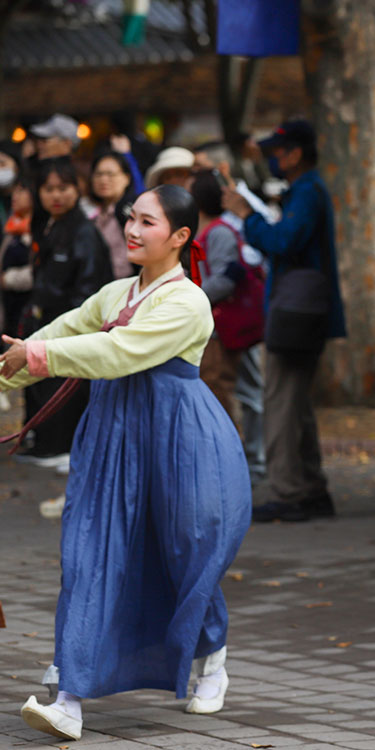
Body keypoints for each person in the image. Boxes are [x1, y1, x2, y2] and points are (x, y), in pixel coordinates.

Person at [0, 185, 252, 741]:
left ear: (181, 237)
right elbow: (63, 333)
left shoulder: (188, 302)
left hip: (180, 441)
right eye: (130, 219)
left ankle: (211, 656)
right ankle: (69, 695)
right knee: (90, 550)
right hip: (111, 439)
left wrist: (36, 354)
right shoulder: (114, 293)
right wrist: (9, 366)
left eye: (147, 222)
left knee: (184, 550)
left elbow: (118, 352)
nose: (132, 230)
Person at [222, 119, 346, 523]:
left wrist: (246, 215)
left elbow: (282, 241)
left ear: (294, 153)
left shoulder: (308, 191)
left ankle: (290, 492)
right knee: (295, 405)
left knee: (281, 404)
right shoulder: (306, 190)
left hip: (297, 314)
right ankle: (309, 488)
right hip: (302, 311)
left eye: (277, 151)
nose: (274, 158)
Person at [16, 158, 114, 470]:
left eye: (64, 188)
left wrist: (70, 328)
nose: (56, 195)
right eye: (48, 189)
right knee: (42, 384)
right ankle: (45, 443)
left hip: (70, 327)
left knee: (62, 389)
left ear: (77, 189)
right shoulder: (49, 226)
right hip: (46, 322)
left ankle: (61, 447)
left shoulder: (83, 232)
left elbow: (88, 291)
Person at [190, 170, 255, 423]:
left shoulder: (218, 233)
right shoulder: (206, 230)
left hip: (218, 330)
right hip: (208, 328)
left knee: (218, 393)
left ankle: (230, 454)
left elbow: (225, 279)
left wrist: (189, 298)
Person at [82, 152, 138, 279]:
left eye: (110, 174)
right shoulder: (94, 216)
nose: (103, 180)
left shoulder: (133, 211)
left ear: (127, 178)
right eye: (98, 174)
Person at [1, 179, 34, 340]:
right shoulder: (12, 226)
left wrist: (6, 279)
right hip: (8, 305)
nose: (15, 196)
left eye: (21, 191)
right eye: (15, 191)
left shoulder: (38, 228)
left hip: (27, 305)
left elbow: (38, 271)